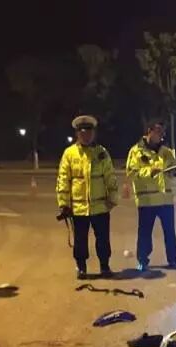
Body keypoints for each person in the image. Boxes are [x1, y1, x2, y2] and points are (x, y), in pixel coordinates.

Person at [57, 115, 118, 280]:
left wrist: (113, 199)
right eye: (82, 132)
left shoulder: (102, 153)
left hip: (100, 207)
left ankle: (104, 266)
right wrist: (64, 203)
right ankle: (81, 267)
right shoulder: (69, 153)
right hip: (78, 208)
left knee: (103, 240)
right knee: (80, 241)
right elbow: (63, 179)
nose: (86, 135)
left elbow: (110, 177)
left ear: (93, 133)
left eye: (89, 132)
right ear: (77, 134)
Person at [126, 120, 176, 271]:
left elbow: (172, 169)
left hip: (165, 199)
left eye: (163, 132)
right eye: (158, 132)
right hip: (147, 200)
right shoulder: (136, 151)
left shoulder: (166, 151)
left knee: (170, 232)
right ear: (149, 131)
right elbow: (132, 173)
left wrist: (175, 171)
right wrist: (149, 172)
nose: (161, 135)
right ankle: (142, 260)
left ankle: (173, 258)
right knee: (144, 233)